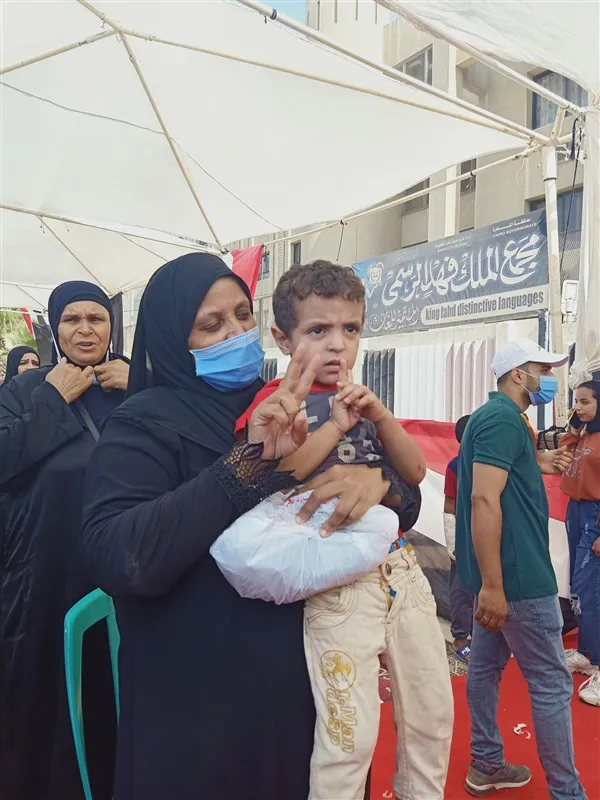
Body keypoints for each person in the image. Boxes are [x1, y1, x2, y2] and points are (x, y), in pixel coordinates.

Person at [80, 254, 395, 800]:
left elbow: (393, 493)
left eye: (243, 316)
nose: (236, 333)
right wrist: (245, 465)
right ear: (172, 339)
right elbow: (121, 555)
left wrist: (380, 482)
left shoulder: (289, 401)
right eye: (212, 325)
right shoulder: (142, 424)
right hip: (201, 715)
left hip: (311, 691)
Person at [231, 262, 453, 800]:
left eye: (350, 329)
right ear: (283, 339)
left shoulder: (361, 397)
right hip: (337, 585)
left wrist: (381, 416)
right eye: (318, 330)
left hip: (401, 570)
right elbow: (280, 474)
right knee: (348, 737)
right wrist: (333, 424)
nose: (337, 344)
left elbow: (414, 472)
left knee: (431, 716)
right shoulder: (274, 401)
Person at [0, 281, 129, 800]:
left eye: (96, 318)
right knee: (48, 687)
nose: (85, 330)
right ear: (55, 329)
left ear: (111, 327)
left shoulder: (132, 384)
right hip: (44, 572)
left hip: (122, 569)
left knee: (116, 683)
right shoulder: (27, 390)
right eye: (72, 319)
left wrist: (143, 386)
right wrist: (53, 399)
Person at [456, 338, 587, 800]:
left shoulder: (500, 419)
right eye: (542, 370)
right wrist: (494, 586)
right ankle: (567, 792)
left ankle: (487, 763)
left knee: (484, 668)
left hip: (499, 576)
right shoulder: (502, 421)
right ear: (518, 375)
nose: (549, 378)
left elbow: (498, 478)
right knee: (550, 684)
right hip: (517, 579)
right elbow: (483, 498)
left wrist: (538, 462)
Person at [561, 380, 600, 706]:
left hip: (594, 516)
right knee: (578, 588)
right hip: (575, 511)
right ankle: (587, 654)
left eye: (585, 402)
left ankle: (599, 663)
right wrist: (574, 426)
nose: (578, 407)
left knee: (591, 591)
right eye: (577, 401)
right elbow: (563, 453)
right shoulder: (584, 434)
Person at [443, 414, 474, 661]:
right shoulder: (455, 467)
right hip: (464, 538)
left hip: (491, 534)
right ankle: (460, 638)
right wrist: (452, 543)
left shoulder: (493, 463)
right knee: (462, 589)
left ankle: (486, 638)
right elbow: (449, 505)